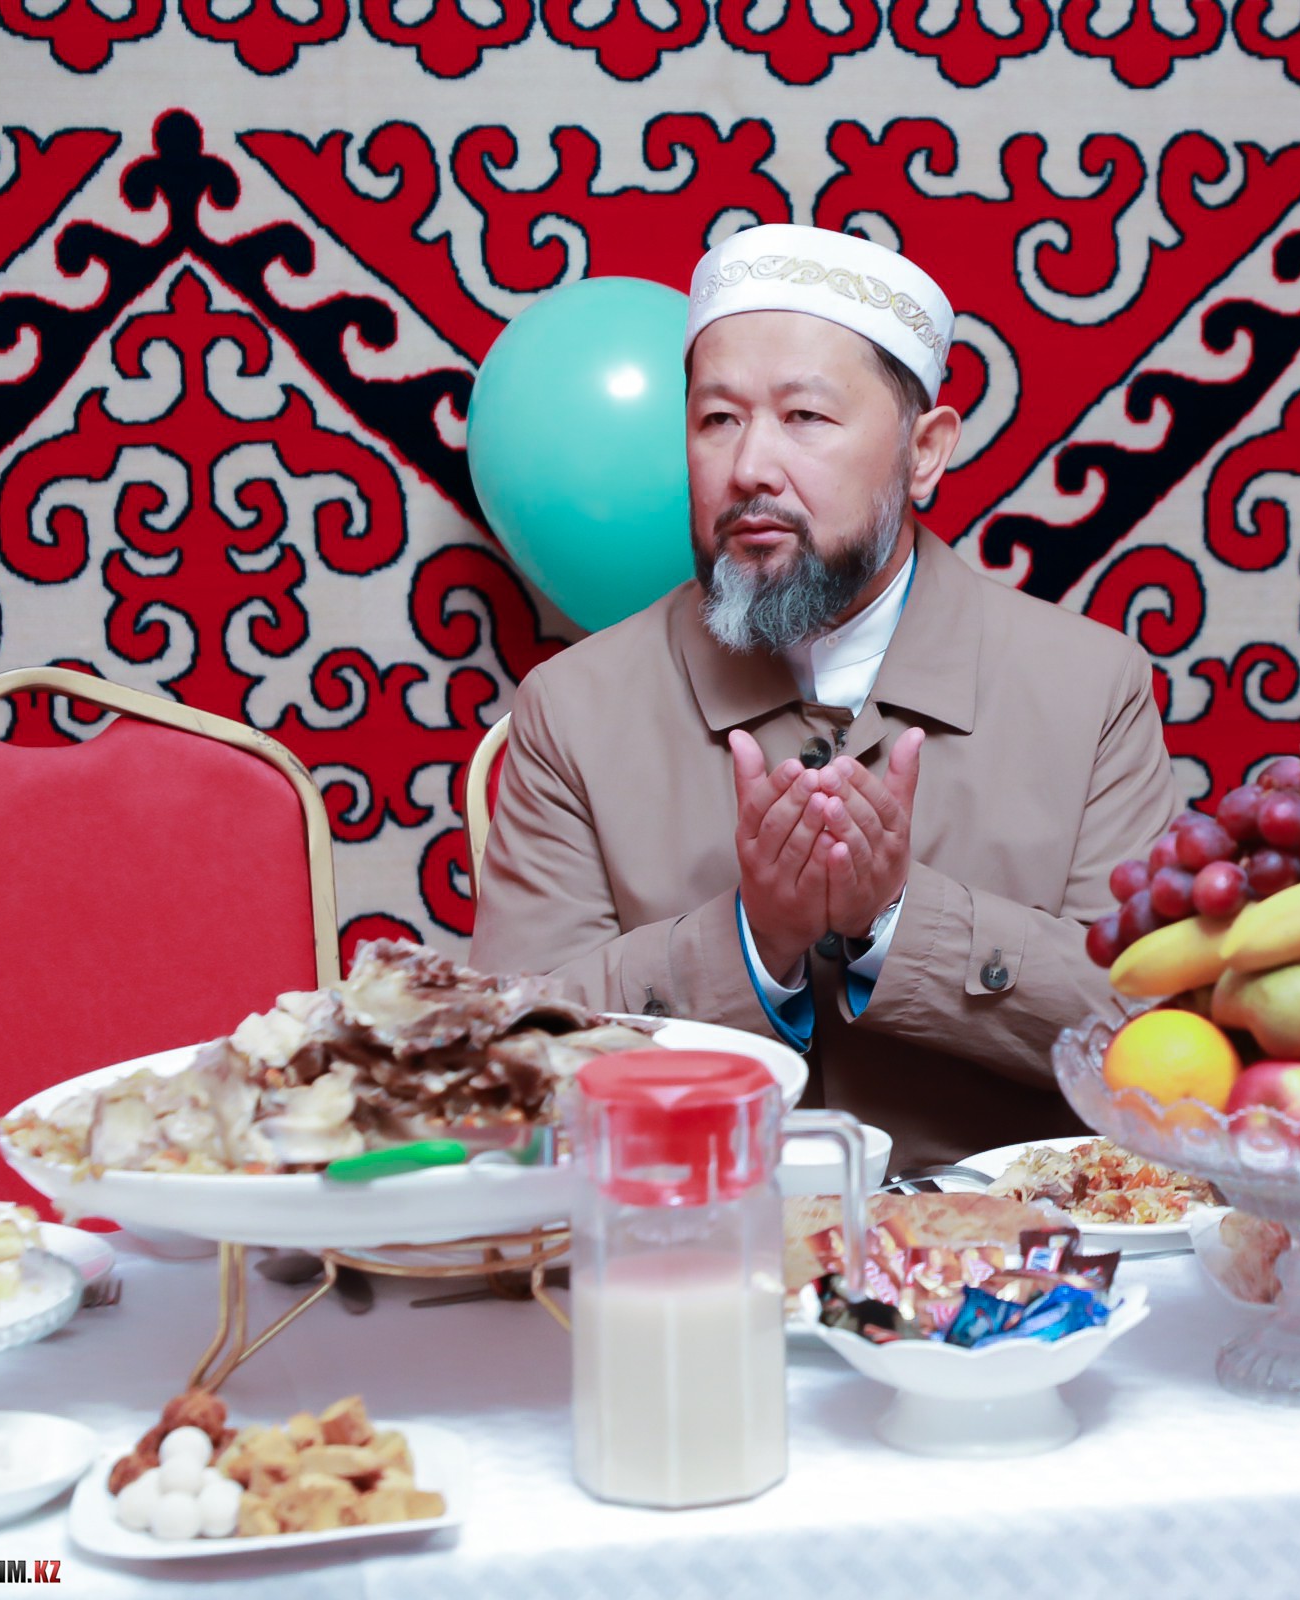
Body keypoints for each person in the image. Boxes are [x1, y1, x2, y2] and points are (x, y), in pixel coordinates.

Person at [472, 224, 1178, 1166]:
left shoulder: (1090, 689)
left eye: (804, 417)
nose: (749, 467)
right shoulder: (573, 707)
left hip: (1008, 1246)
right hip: (686, 1235)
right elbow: (506, 1066)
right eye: (717, 420)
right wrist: (750, 939)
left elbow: (1159, 1041)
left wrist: (899, 918)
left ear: (925, 452)